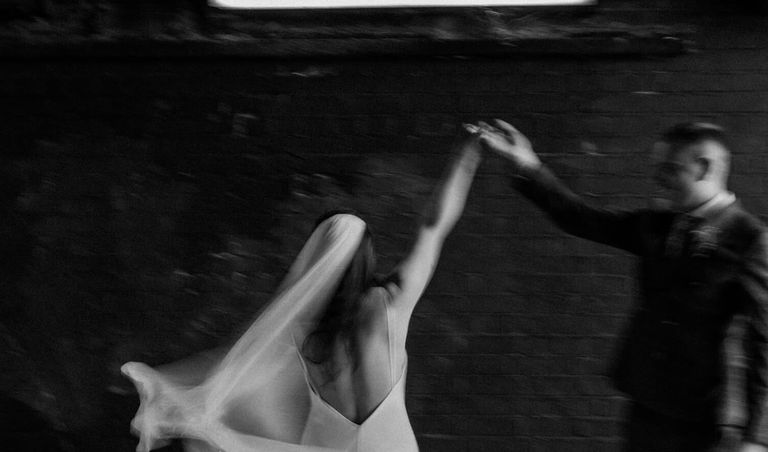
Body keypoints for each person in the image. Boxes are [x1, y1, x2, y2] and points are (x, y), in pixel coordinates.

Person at [121, 132, 482, 451]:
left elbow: (244, 370)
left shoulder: (305, 332)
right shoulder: (389, 305)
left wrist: (195, 402)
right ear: (367, 257)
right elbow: (434, 226)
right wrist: (467, 156)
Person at [472, 119, 768, 452]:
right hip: (643, 402)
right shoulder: (657, 224)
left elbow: (764, 344)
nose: (658, 178)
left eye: (670, 169)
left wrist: (756, 437)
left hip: (700, 417)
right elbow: (581, 218)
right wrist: (526, 163)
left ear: (704, 168)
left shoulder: (750, 239)